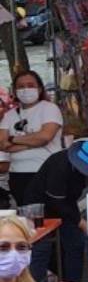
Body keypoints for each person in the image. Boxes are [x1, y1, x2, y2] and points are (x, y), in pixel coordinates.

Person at [0, 69, 65, 204]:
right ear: (14, 90)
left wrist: (13, 139)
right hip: (18, 174)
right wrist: (33, 142)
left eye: (30, 85)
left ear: (40, 89)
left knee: (51, 216)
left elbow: (45, 137)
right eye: (21, 86)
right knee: (27, 217)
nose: (25, 90)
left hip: (47, 172)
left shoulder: (49, 108)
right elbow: (2, 144)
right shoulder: (9, 115)